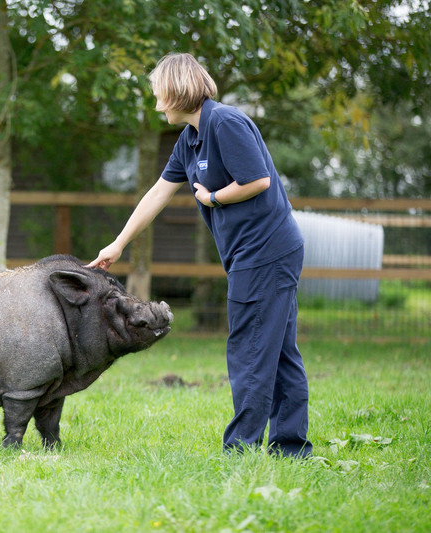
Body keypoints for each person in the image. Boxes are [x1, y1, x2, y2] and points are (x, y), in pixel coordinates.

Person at [87, 52, 312, 458]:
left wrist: (213, 197)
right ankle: (290, 448)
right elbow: (157, 193)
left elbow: (258, 180)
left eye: (159, 95)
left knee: (251, 348)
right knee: (278, 352)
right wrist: (118, 244)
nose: (157, 104)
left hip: (265, 252)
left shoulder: (224, 122)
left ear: (177, 91)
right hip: (257, 253)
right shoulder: (190, 140)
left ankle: (241, 450)